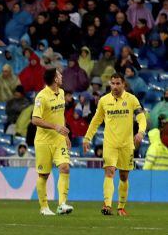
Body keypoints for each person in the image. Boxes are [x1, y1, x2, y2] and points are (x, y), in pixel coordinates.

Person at [83, 73, 147, 216]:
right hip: (110, 144)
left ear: (123, 84)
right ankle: (107, 205)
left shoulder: (132, 99)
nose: (115, 86)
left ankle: (121, 207)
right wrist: (87, 138)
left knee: (124, 176)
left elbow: (141, 117)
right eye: (113, 83)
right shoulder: (104, 101)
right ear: (110, 84)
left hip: (126, 145)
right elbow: (96, 120)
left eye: (118, 83)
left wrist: (141, 132)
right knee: (109, 171)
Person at [32, 68, 74, 216]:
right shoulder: (41, 97)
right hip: (43, 141)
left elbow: (60, 115)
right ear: (55, 79)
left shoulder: (61, 93)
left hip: (59, 140)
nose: (61, 76)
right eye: (59, 74)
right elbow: (35, 119)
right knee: (43, 175)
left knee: (65, 167)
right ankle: (44, 207)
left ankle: (62, 204)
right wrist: (55, 126)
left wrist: (65, 135)